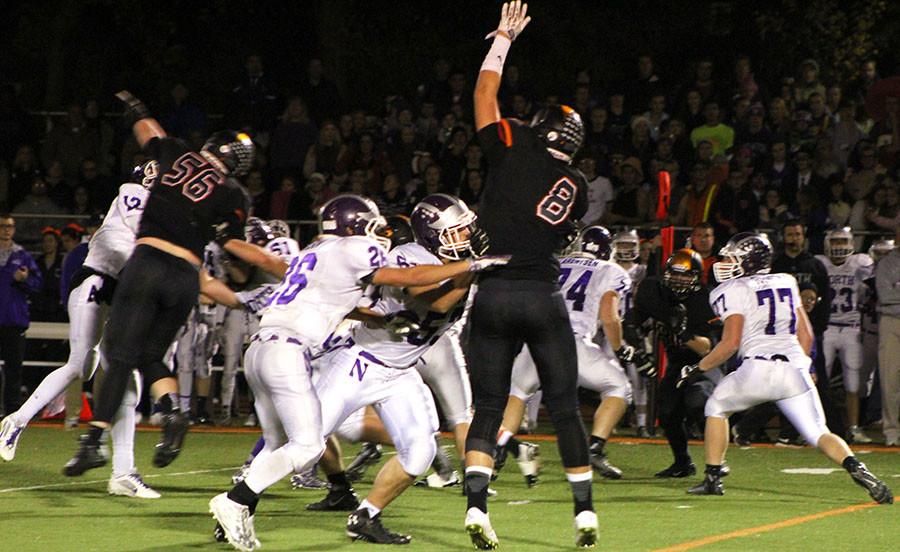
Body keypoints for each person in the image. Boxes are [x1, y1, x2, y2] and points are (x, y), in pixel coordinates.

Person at [208, 194, 505, 551]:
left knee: (420, 453)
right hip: (359, 363)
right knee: (304, 442)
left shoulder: (457, 268)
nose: (465, 238)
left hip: (401, 371)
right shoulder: (408, 255)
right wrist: (469, 268)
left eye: (466, 231)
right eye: (457, 232)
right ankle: (240, 502)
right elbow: (429, 297)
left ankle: (366, 516)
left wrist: (480, 269)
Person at [62, 91, 288, 477]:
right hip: (186, 279)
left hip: (149, 263)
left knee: (120, 353)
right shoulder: (233, 193)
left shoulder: (176, 153)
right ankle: (172, 411)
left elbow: (149, 132)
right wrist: (278, 266)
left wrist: (136, 109)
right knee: (150, 354)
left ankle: (93, 441)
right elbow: (232, 244)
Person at [464, 3, 598, 547]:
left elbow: (482, 98)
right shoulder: (580, 186)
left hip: (493, 290)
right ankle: (584, 514)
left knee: (489, 406)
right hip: (542, 293)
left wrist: (501, 39)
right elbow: (564, 236)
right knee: (564, 406)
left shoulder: (514, 142)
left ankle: (476, 507)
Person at [680, 232, 892, 505]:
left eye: (733, 257)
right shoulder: (786, 280)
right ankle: (858, 469)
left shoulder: (729, 290)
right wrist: (804, 366)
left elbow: (731, 342)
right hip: (794, 369)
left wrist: (698, 367)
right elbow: (806, 336)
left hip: (756, 368)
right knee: (819, 432)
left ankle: (713, 478)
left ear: (750, 261)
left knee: (716, 408)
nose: (725, 262)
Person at [0, 163, 168, 498]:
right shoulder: (134, 193)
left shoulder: (156, 209)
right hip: (97, 283)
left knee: (124, 376)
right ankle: (15, 421)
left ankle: (123, 472)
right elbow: (129, 246)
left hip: (117, 291)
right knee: (79, 364)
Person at [499, 226, 653, 482]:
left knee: (517, 394)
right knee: (619, 388)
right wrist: (622, 349)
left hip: (535, 338)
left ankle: (498, 452)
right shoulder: (609, 269)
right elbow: (609, 314)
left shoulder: (556, 263)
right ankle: (594, 449)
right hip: (571, 342)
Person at [624, 249, 720, 478]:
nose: (679, 280)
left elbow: (706, 348)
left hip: (706, 363)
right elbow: (630, 323)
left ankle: (716, 464)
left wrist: (682, 331)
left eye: (685, 276)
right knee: (666, 413)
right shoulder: (653, 290)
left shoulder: (705, 298)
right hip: (677, 362)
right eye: (674, 274)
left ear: (697, 277)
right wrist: (638, 354)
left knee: (697, 402)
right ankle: (683, 462)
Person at [815, 227, 875, 442]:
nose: (839, 246)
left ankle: (854, 427)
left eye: (843, 241)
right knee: (819, 379)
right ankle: (816, 427)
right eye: (836, 241)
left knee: (853, 382)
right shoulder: (819, 263)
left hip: (852, 328)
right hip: (828, 327)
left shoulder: (861, 263)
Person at [0, 213, 41, 415]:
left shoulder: (22, 255)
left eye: (9, 226)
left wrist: (23, 279)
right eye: (2, 226)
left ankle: (11, 414)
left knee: (14, 370)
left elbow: (37, 285)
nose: (6, 230)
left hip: (14, 321)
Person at [876, 229, 900, 446]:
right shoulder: (886, 263)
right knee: (890, 379)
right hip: (891, 322)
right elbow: (885, 296)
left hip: (893, 315)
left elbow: (893, 294)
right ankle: (891, 432)